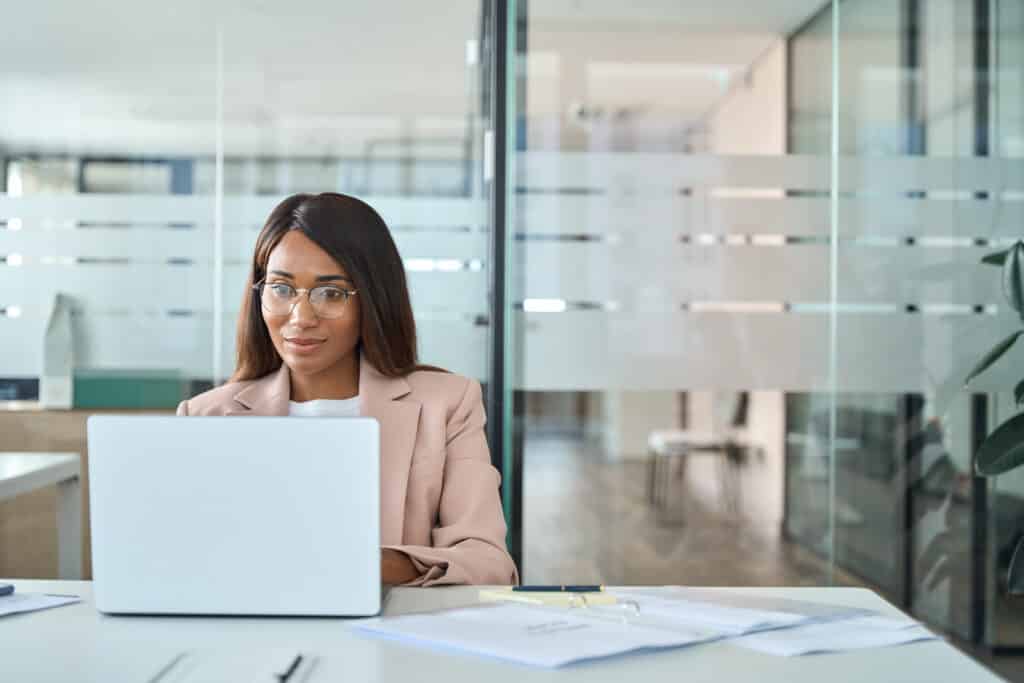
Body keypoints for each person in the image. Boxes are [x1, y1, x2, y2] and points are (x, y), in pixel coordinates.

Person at [176, 192, 518, 586]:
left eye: (331, 293)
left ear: (372, 300)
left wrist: (354, 565)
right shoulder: (205, 417)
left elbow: (488, 563)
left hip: (392, 638)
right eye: (282, 289)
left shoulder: (447, 404)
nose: (301, 317)